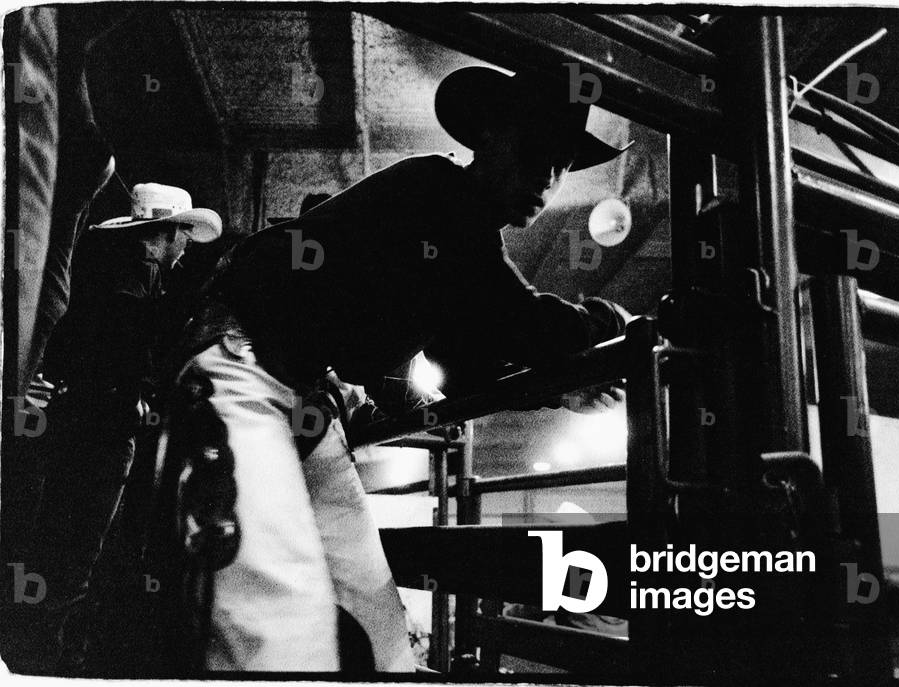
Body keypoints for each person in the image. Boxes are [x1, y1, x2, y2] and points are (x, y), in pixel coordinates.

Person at [166, 65, 632, 672]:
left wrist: (560, 388)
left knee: (379, 626)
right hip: (240, 360)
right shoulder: (439, 190)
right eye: (534, 151)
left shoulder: (453, 238)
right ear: (491, 136)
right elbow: (521, 321)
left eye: (561, 164)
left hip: (304, 391)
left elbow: (466, 366)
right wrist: (616, 325)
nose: (546, 178)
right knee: (274, 626)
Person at [25, 183, 221, 672]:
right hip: (100, 434)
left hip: (84, 425)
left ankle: (53, 650)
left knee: (70, 547)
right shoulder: (132, 288)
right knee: (77, 553)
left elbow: (72, 347)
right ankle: (52, 661)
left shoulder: (122, 274)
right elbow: (125, 356)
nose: (185, 248)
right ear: (164, 234)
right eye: (182, 235)